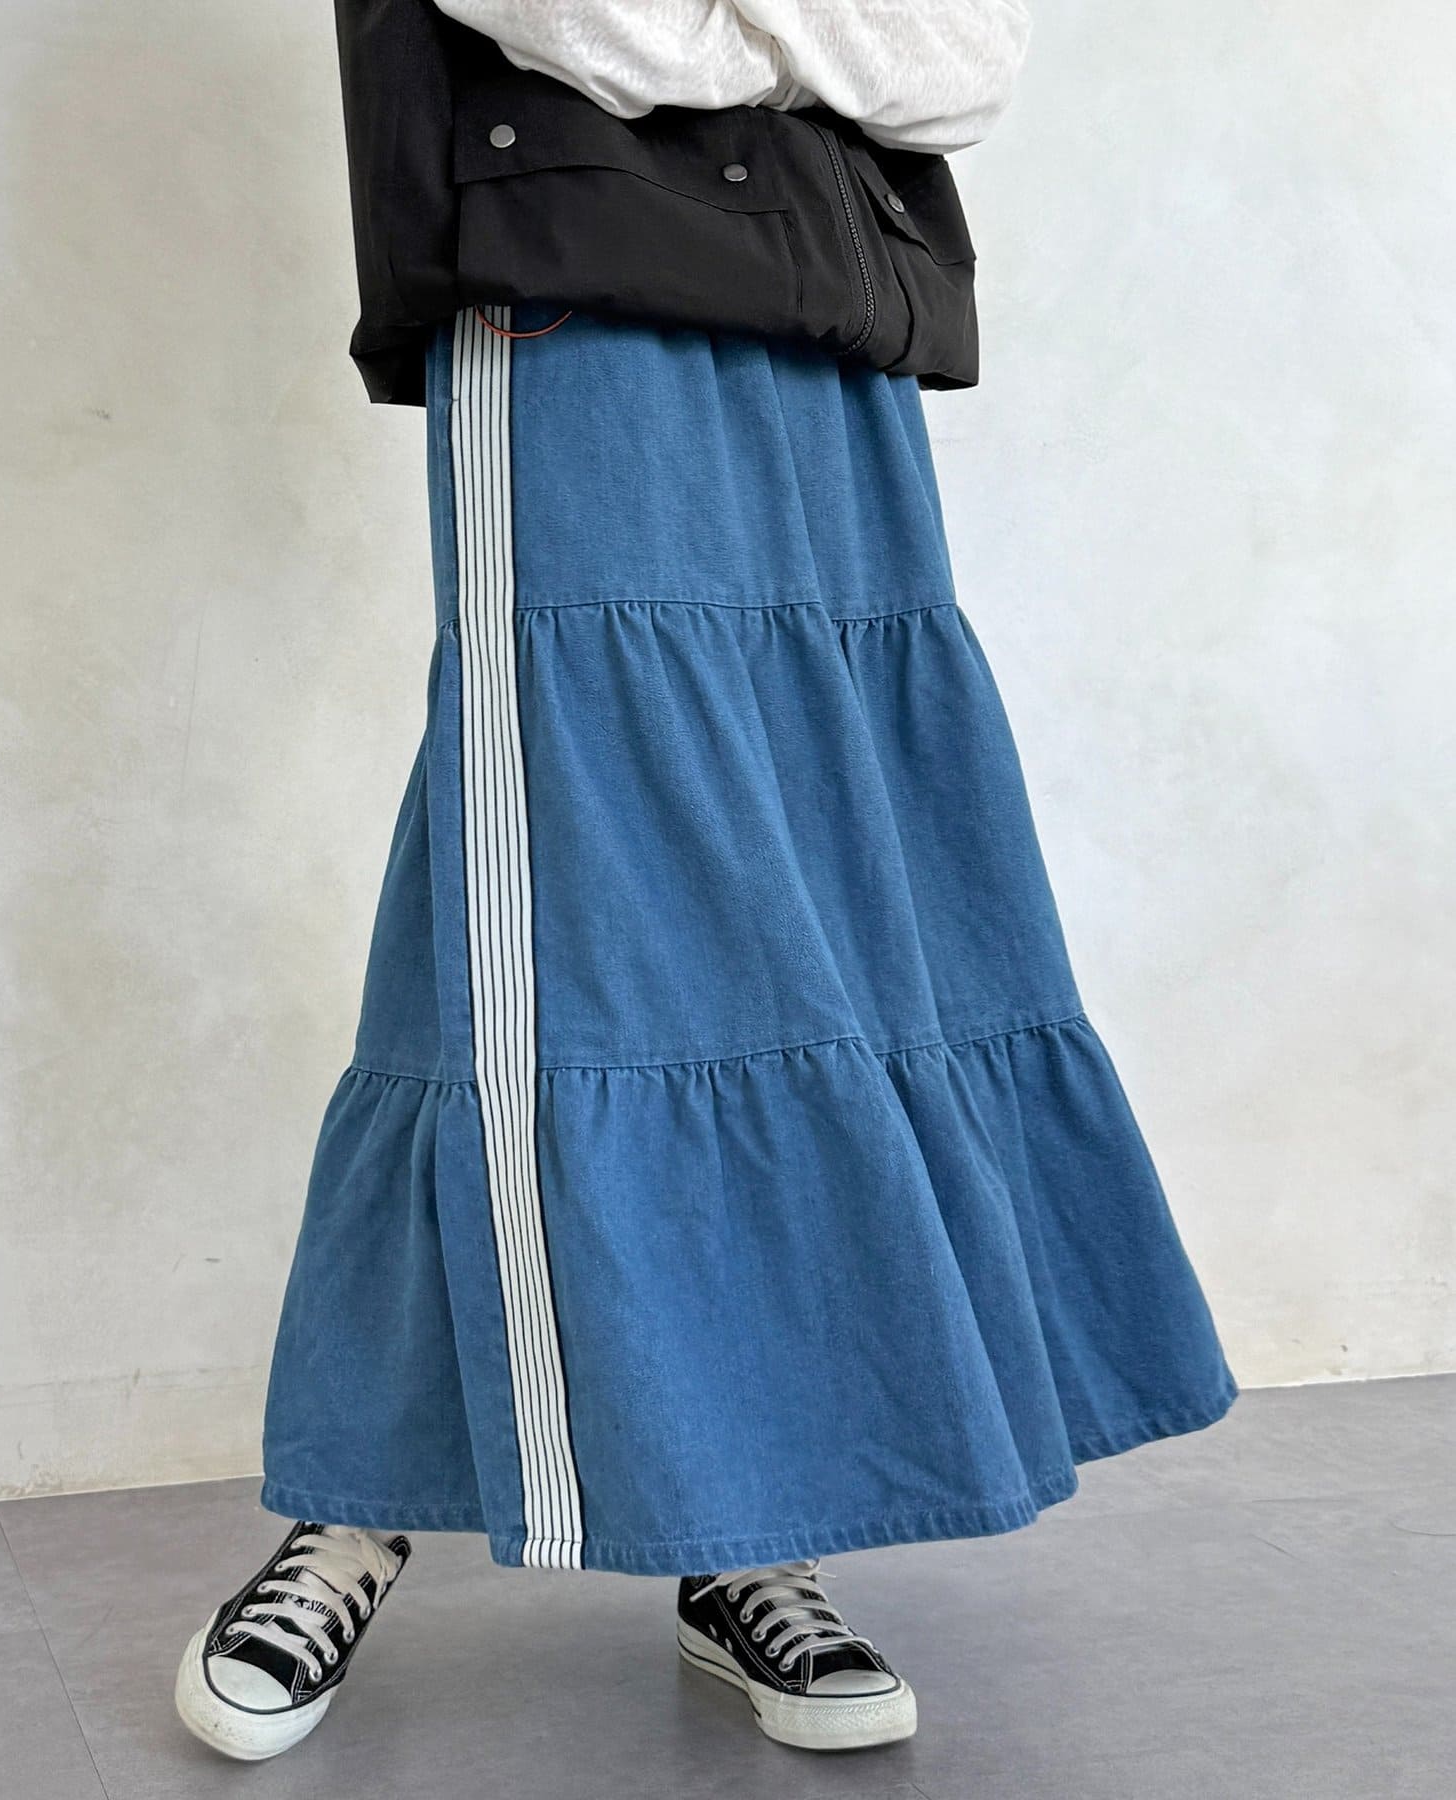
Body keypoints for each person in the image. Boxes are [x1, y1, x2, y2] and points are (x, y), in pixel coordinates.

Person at [174, 0, 1236, 1761]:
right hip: (572, 304)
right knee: (543, 897)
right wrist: (801, 41)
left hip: (828, 338)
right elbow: (579, 23)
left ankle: (747, 1520)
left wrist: (731, 32)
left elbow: (961, 58)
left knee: (810, 916)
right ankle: (357, 1502)